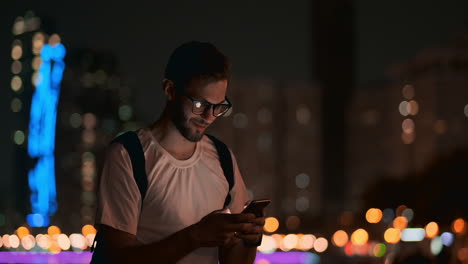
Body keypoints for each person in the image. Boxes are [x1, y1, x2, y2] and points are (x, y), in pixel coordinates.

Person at [94, 41, 265, 264]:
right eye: (199, 104)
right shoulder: (130, 155)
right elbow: (119, 258)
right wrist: (195, 237)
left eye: (219, 106)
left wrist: (250, 239)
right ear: (170, 90)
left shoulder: (222, 157)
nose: (208, 116)